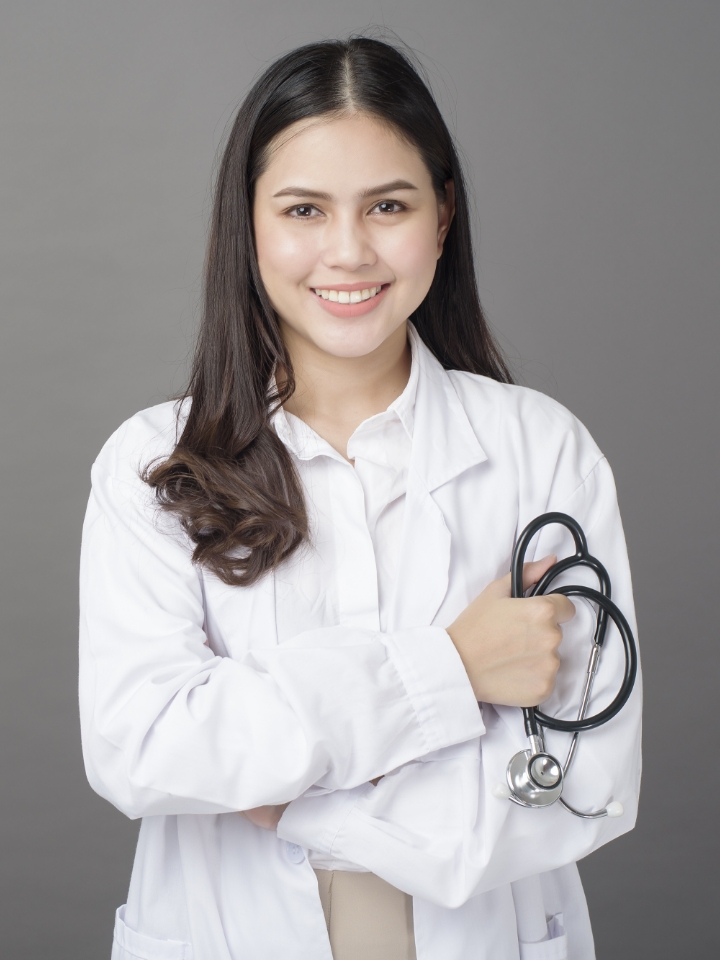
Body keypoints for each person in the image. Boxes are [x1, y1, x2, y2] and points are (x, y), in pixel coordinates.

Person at [79, 36, 642, 960]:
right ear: (249, 224)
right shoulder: (150, 464)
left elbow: (582, 784)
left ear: (443, 216)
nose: (348, 251)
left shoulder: (541, 451)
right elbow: (144, 748)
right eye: (304, 209)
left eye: (388, 205)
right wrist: (453, 669)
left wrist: (299, 796)